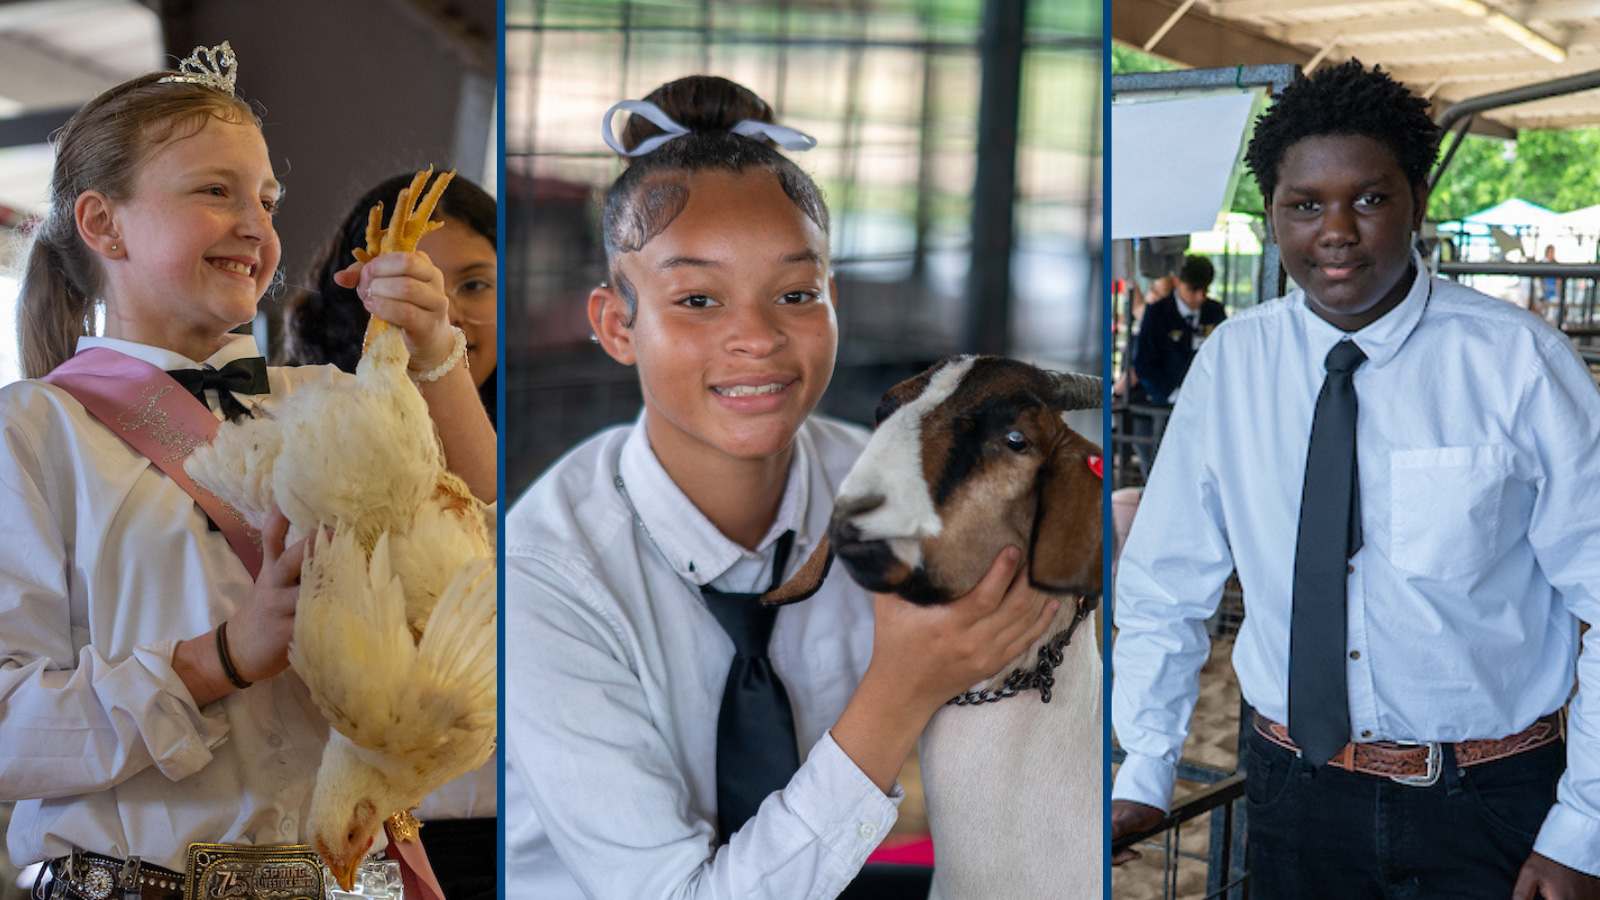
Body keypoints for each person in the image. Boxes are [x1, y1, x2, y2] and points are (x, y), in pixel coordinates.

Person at [503, 75, 1059, 900]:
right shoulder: (539, 576)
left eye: (795, 295)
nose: (756, 339)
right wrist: (899, 691)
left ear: (831, 300)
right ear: (618, 325)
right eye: (697, 300)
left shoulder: (887, 487)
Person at [0, 44, 494, 897]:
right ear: (103, 222)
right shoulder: (34, 432)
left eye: (266, 199)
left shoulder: (325, 397)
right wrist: (222, 657)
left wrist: (432, 353)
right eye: (214, 192)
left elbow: (483, 538)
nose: (255, 225)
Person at [1110, 60, 1600, 900]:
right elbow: (1165, 583)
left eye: (1369, 199)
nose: (1336, 231)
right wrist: (1144, 769)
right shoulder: (1234, 364)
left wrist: (1582, 829)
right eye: (1305, 204)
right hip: (1294, 790)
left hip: (1489, 798)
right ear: (1271, 214)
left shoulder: (1518, 364)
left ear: (1415, 197)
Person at [280, 172, 499, 900]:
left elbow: (508, 543)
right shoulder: (307, 425)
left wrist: (438, 354)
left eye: (475, 284)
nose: (450, 309)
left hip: (518, 835)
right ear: (359, 290)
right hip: (386, 851)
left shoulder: (562, 446)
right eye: (415, 280)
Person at [282, 172, 498, 426]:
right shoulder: (298, 422)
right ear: (353, 301)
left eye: (474, 285)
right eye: (409, 284)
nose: (444, 315)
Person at [1130, 255, 1225, 406]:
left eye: (1205, 289)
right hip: (1166, 402)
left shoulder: (1214, 312)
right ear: (1177, 282)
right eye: (1193, 289)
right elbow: (1144, 364)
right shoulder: (1157, 313)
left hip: (1206, 399)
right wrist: (1171, 394)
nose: (1200, 296)